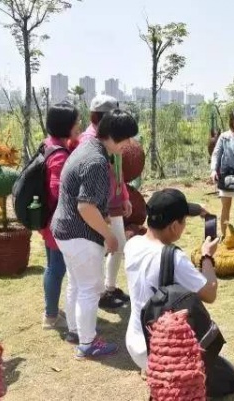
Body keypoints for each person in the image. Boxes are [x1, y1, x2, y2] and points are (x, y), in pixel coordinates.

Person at [51, 109, 138, 358]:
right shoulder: (97, 162)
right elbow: (86, 206)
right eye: (127, 138)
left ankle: (76, 330)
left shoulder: (88, 147)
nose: (129, 144)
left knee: (76, 284)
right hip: (80, 233)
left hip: (64, 229)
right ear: (113, 135)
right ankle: (88, 343)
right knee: (91, 288)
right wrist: (109, 235)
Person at [123, 189, 220, 374]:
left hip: (135, 341)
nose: (185, 227)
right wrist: (207, 257)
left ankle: (148, 369)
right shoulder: (174, 258)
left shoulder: (132, 244)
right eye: (184, 221)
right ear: (174, 226)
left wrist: (198, 209)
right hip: (161, 351)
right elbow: (210, 293)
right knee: (229, 374)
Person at [79, 95, 132, 309]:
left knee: (118, 245)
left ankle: (108, 287)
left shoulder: (111, 136)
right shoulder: (89, 140)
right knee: (101, 249)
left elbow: (118, 170)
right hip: (98, 204)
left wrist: (125, 196)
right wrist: (103, 210)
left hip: (114, 200)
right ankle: (100, 293)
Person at [40, 101, 81, 330]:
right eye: (76, 121)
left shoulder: (49, 144)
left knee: (52, 266)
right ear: (66, 124)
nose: (79, 124)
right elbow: (57, 190)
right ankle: (50, 315)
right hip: (58, 222)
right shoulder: (59, 156)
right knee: (56, 268)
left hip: (48, 220)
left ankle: (50, 309)